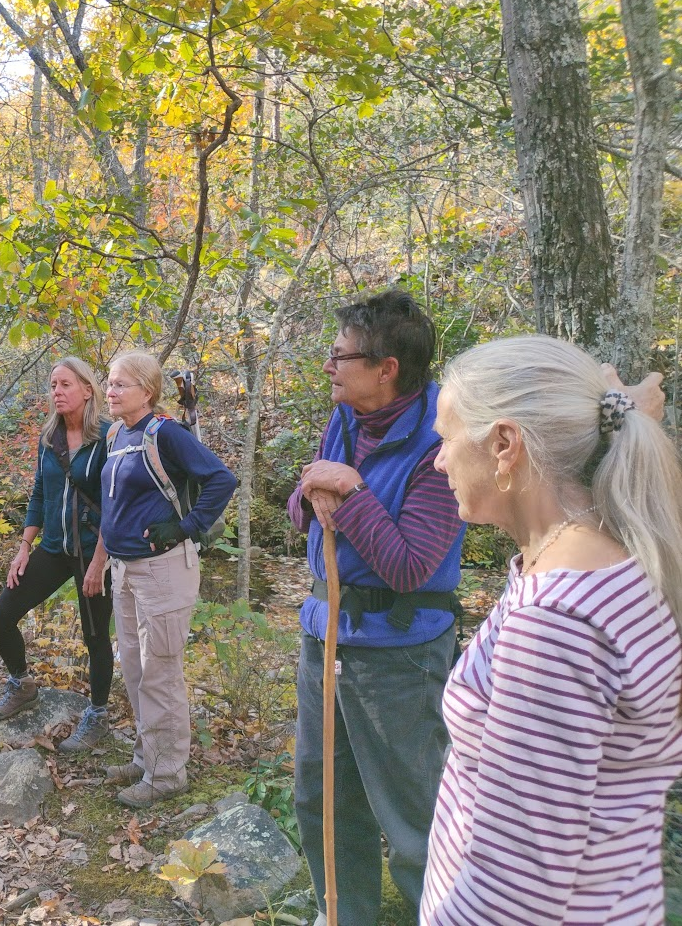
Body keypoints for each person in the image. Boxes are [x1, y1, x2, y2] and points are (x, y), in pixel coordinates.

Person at [420, 336, 682, 924]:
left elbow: (514, 898)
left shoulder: (557, 622)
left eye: (446, 440)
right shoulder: (615, 559)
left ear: (504, 444)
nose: (438, 461)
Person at [287, 288, 465, 925]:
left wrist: (353, 491)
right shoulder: (347, 416)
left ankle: (441, 914)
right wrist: (315, 493)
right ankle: (342, 914)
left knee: (413, 810)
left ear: (386, 368)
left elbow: (413, 566)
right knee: (322, 796)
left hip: (398, 653)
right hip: (326, 633)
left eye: (340, 356)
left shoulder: (441, 440)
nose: (330, 367)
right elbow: (305, 498)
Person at [100, 351, 236, 808]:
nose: (110, 391)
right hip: (125, 570)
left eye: (120, 384)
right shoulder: (118, 434)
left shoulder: (166, 434)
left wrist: (186, 526)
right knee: (137, 670)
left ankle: (167, 774)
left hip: (163, 572)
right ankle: (146, 758)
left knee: (160, 673)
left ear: (148, 391)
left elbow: (222, 479)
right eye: (109, 382)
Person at [0, 358, 114, 752]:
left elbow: (115, 503)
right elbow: (40, 495)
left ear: (87, 390)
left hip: (95, 552)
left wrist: (99, 563)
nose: (56, 391)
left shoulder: (109, 438)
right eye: (53, 385)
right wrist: (24, 547)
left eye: (65, 385)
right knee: (0, 615)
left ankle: (97, 714)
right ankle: (22, 684)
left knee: (95, 637)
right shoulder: (49, 438)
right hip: (54, 548)